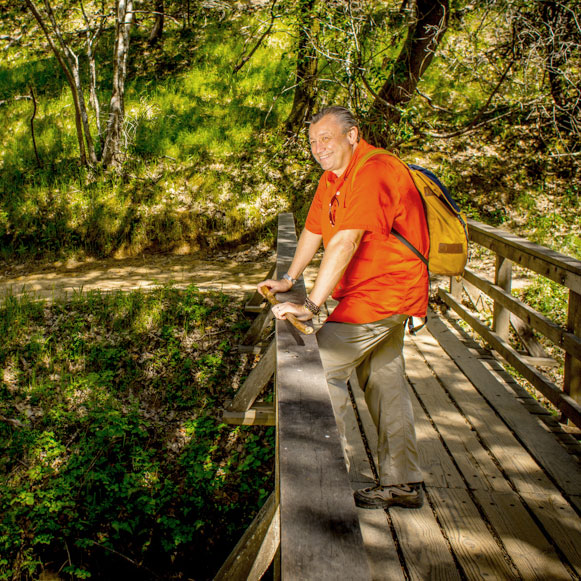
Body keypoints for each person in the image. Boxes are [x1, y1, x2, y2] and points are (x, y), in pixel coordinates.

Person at [257, 106, 429, 509]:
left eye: (327, 138)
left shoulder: (374, 171)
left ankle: (331, 479)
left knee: (317, 373)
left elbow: (346, 242)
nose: (318, 148)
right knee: (385, 380)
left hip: (382, 295)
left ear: (353, 135)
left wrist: (311, 305)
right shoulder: (333, 178)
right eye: (313, 142)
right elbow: (315, 230)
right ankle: (401, 483)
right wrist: (290, 280)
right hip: (377, 294)